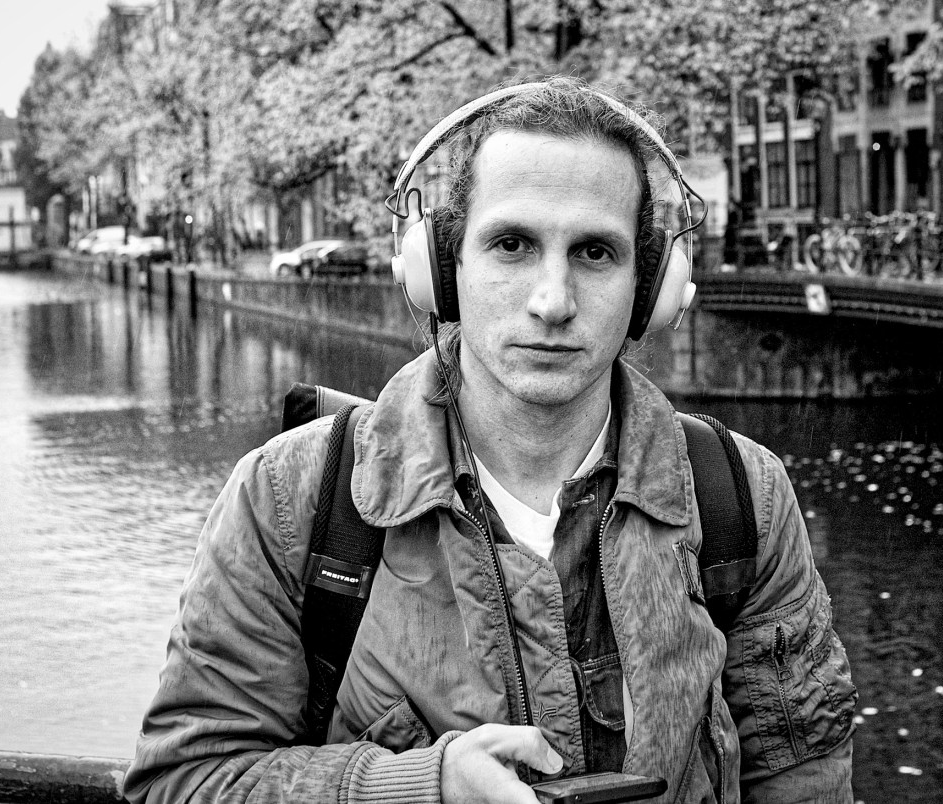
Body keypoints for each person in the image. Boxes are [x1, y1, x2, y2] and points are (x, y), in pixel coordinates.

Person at [124, 77, 856, 803]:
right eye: (512, 245)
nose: (552, 301)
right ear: (442, 269)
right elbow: (182, 781)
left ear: (650, 287)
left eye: (595, 253)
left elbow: (806, 781)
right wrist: (426, 788)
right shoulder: (286, 500)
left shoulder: (742, 499)